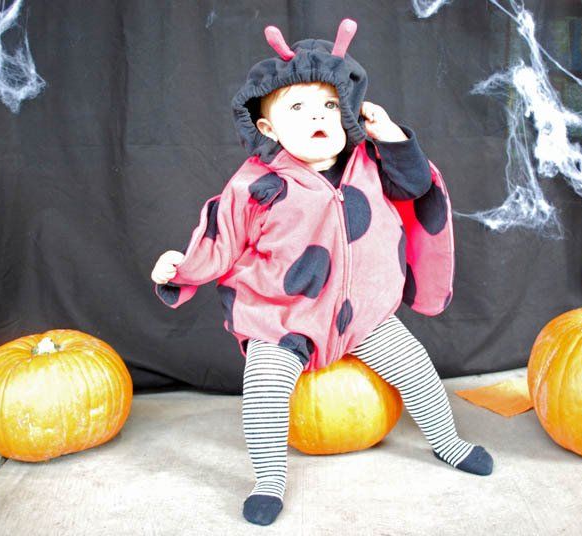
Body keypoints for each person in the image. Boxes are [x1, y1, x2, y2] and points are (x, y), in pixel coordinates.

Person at [151, 19, 493, 526]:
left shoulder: (371, 161)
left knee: (416, 367)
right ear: (267, 128)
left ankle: (448, 442)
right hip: (284, 314)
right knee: (264, 390)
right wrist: (181, 267)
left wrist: (393, 138)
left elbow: (418, 185)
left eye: (329, 105)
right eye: (297, 107)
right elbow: (222, 237)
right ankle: (268, 478)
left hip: (364, 311)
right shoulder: (258, 183)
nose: (317, 115)